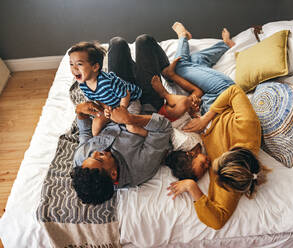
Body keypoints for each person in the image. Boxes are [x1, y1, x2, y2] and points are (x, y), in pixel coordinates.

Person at [71, 34, 174, 205]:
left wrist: (80, 112)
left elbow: (85, 133)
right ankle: (167, 70)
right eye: (100, 158)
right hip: (147, 102)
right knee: (144, 41)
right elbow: (164, 128)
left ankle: (134, 71)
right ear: (113, 174)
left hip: (116, 98)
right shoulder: (140, 168)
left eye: (92, 155)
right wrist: (131, 118)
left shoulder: (83, 161)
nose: (97, 151)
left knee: (116, 43)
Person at [166, 85, 270, 230]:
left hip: (196, 113)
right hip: (215, 100)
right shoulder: (248, 127)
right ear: (231, 153)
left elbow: (216, 221)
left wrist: (192, 187)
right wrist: (205, 119)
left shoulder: (230, 182)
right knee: (180, 69)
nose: (210, 165)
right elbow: (234, 91)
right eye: (217, 162)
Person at [150, 22, 237, 122]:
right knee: (180, 66)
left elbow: (197, 94)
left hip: (212, 96)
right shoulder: (221, 124)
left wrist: (196, 107)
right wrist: (170, 78)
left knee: (196, 59)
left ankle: (225, 45)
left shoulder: (183, 118)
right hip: (223, 91)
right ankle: (183, 36)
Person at [69, 41, 144, 136]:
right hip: (112, 106)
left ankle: (148, 134)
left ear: (95, 67)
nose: (74, 68)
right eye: (71, 64)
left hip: (129, 101)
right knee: (96, 123)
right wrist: (105, 109)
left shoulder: (108, 82)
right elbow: (98, 98)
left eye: (79, 64)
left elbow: (126, 93)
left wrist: (122, 109)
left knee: (131, 126)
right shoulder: (83, 85)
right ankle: (97, 144)